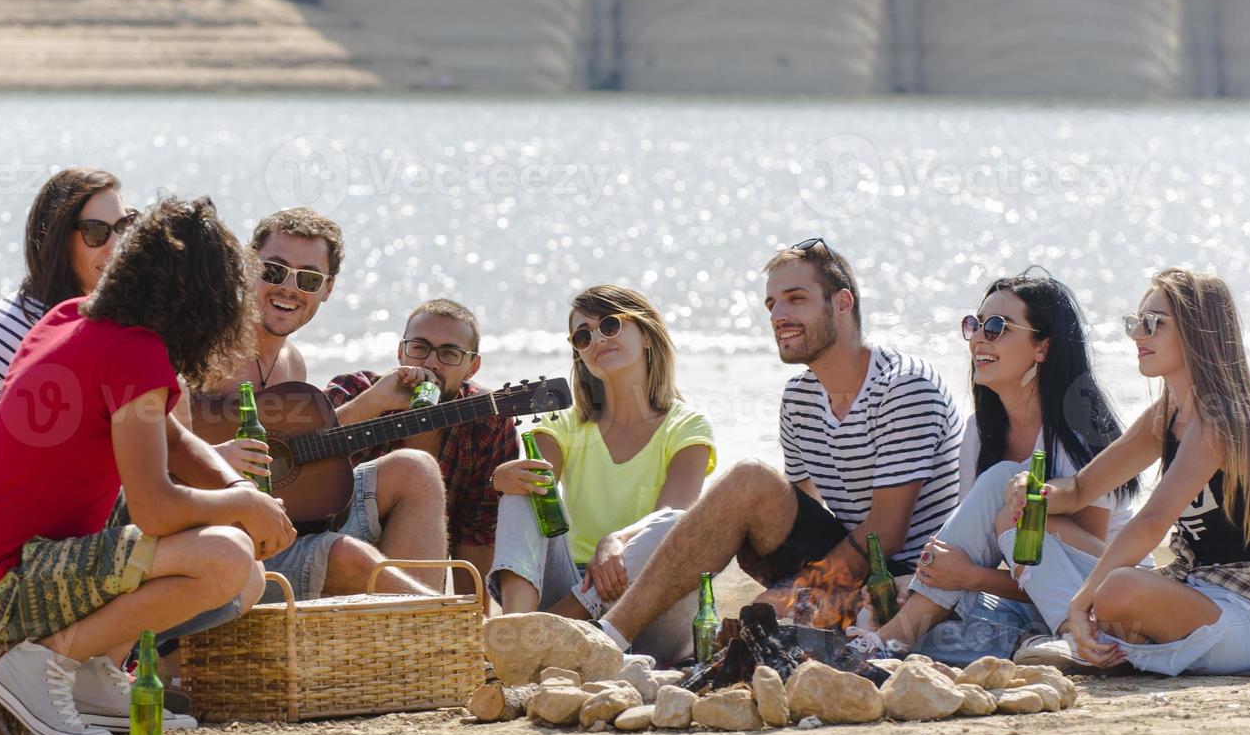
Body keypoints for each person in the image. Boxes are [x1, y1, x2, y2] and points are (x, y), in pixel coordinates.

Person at [0, 197, 297, 735]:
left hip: (9, 560)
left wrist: (239, 489)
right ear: (203, 298)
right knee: (225, 559)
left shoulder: (72, 317)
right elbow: (154, 508)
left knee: (228, 544)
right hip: (0, 586)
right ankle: (46, 664)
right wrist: (245, 507)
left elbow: (173, 440)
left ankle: (93, 675)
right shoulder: (135, 355)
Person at [591, 239, 962, 655]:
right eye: (771, 305)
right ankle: (610, 635)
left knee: (752, 490)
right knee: (749, 481)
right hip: (851, 566)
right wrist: (794, 585)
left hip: (912, 581)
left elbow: (887, 532)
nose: (779, 316)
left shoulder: (903, 385)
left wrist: (798, 592)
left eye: (796, 299)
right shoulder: (800, 397)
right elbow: (795, 510)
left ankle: (611, 640)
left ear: (842, 303)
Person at [1001, 268, 1250, 675]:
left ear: (1196, 332)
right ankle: (1093, 640)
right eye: (1135, 322)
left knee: (1117, 588)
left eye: (1153, 323)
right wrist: (1040, 492)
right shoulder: (1166, 416)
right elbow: (1082, 488)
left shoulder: (1219, 422)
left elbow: (1152, 522)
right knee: (1026, 519)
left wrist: (1081, 601)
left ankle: (1082, 636)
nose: (1138, 334)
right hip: (1193, 593)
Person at [871, 270, 1140, 664]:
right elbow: (981, 554)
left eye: (996, 327)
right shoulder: (979, 431)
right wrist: (927, 581)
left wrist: (970, 578)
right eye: (974, 325)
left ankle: (888, 642)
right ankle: (1028, 646)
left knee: (1003, 480)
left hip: (1102, 593)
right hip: (1035, 598)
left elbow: (1085, 571)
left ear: (1042, 348)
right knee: (933, 629)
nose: (979, 337)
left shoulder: (1081, 430)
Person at [191, 207, 449, 600]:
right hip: (223, 546)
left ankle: (420, 642)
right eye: (275, 271)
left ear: (327, 289)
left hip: (282, 527)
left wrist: (374, 402)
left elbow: (292, 452)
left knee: (415, 468)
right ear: (247, 266)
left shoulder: (292, 362)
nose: (289, 289)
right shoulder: (205, 348)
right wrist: (214, 457)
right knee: (343, 555)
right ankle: (449, 627)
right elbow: (146, 448)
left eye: (308, 279)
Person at [488, 286, 715, 665]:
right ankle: (517, 631)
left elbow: (674, 527)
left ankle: (547, 630)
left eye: (610, 325)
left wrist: (616, 540)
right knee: (525, 485)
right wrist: (500, 477)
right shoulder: (563, 423)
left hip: (648, 605)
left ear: (646, 334)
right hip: (568, 581)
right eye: (583, 335)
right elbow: (527, 486)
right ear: (578, 353)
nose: (597, 339)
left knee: (678, 524)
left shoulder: (687, 426)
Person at [0, 167, 136, 584]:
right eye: (97, 233)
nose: (116, 246)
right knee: (202, 567)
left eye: (125, 227)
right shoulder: (46, 338)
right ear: (58, 241)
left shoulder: (29, 309)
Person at [325, 298, 519, 595]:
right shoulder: (356, 391)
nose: (430, 363)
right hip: (340, 556)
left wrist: (472, 622)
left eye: (449, 353)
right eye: (419, 348)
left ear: (472, 367)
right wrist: (375, 402)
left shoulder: (487, 421)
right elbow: (292, 451)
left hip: (421, 574)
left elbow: (477, 533)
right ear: (401, 351)